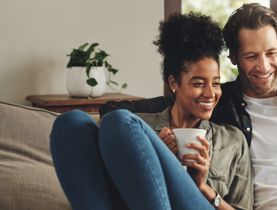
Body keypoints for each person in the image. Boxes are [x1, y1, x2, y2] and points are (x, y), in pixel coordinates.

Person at [100, 3, 277, 210]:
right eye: (252, 56)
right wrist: (152, 140)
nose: (264, 66)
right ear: (233, 58)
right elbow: (118, 114)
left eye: (270, 53)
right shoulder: (216, 100)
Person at [51, 12, 252, 210]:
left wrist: (203, 188)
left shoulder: (233, 141)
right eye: (199, 83)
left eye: (216, 84)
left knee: (119, 121)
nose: (210, 93)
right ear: (174, 83)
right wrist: (157, 156)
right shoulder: (138, 131)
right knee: (70, 123)